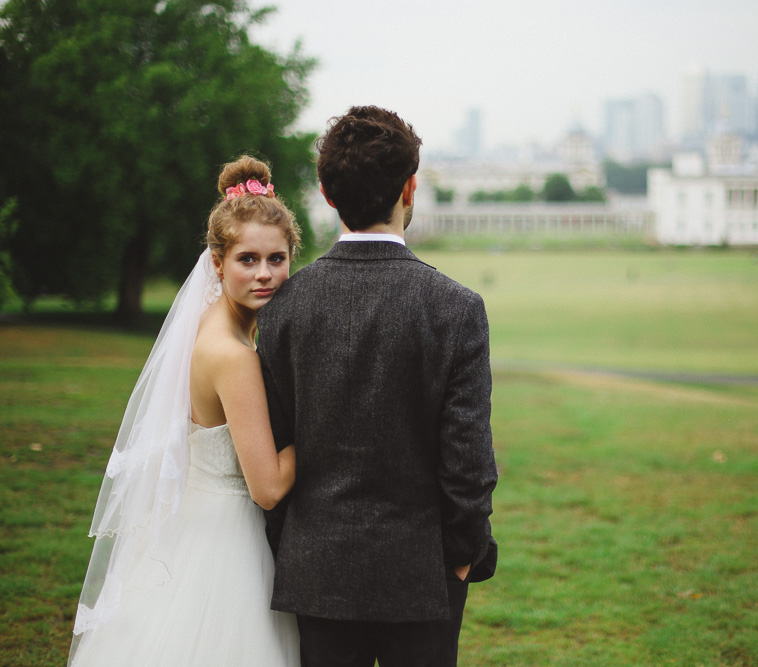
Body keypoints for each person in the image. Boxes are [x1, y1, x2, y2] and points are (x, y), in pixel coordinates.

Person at [257, 106, 498, 667]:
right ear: (410, 187)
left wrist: (288, 548)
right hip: (425, 572)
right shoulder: (457, 308)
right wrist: (462, 556)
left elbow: (273, 444)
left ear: (326, 192)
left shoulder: (284, 307)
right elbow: (469, 461)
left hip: (315, 569)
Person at [68, 156, 302, 667]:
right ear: (217, 263)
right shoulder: (233, 355)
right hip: (227, 544)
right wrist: (325, 427)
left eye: (277, 259)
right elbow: (266, 487)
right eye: (247, 260)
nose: (265, 274)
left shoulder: (208, 322)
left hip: (192, 522)